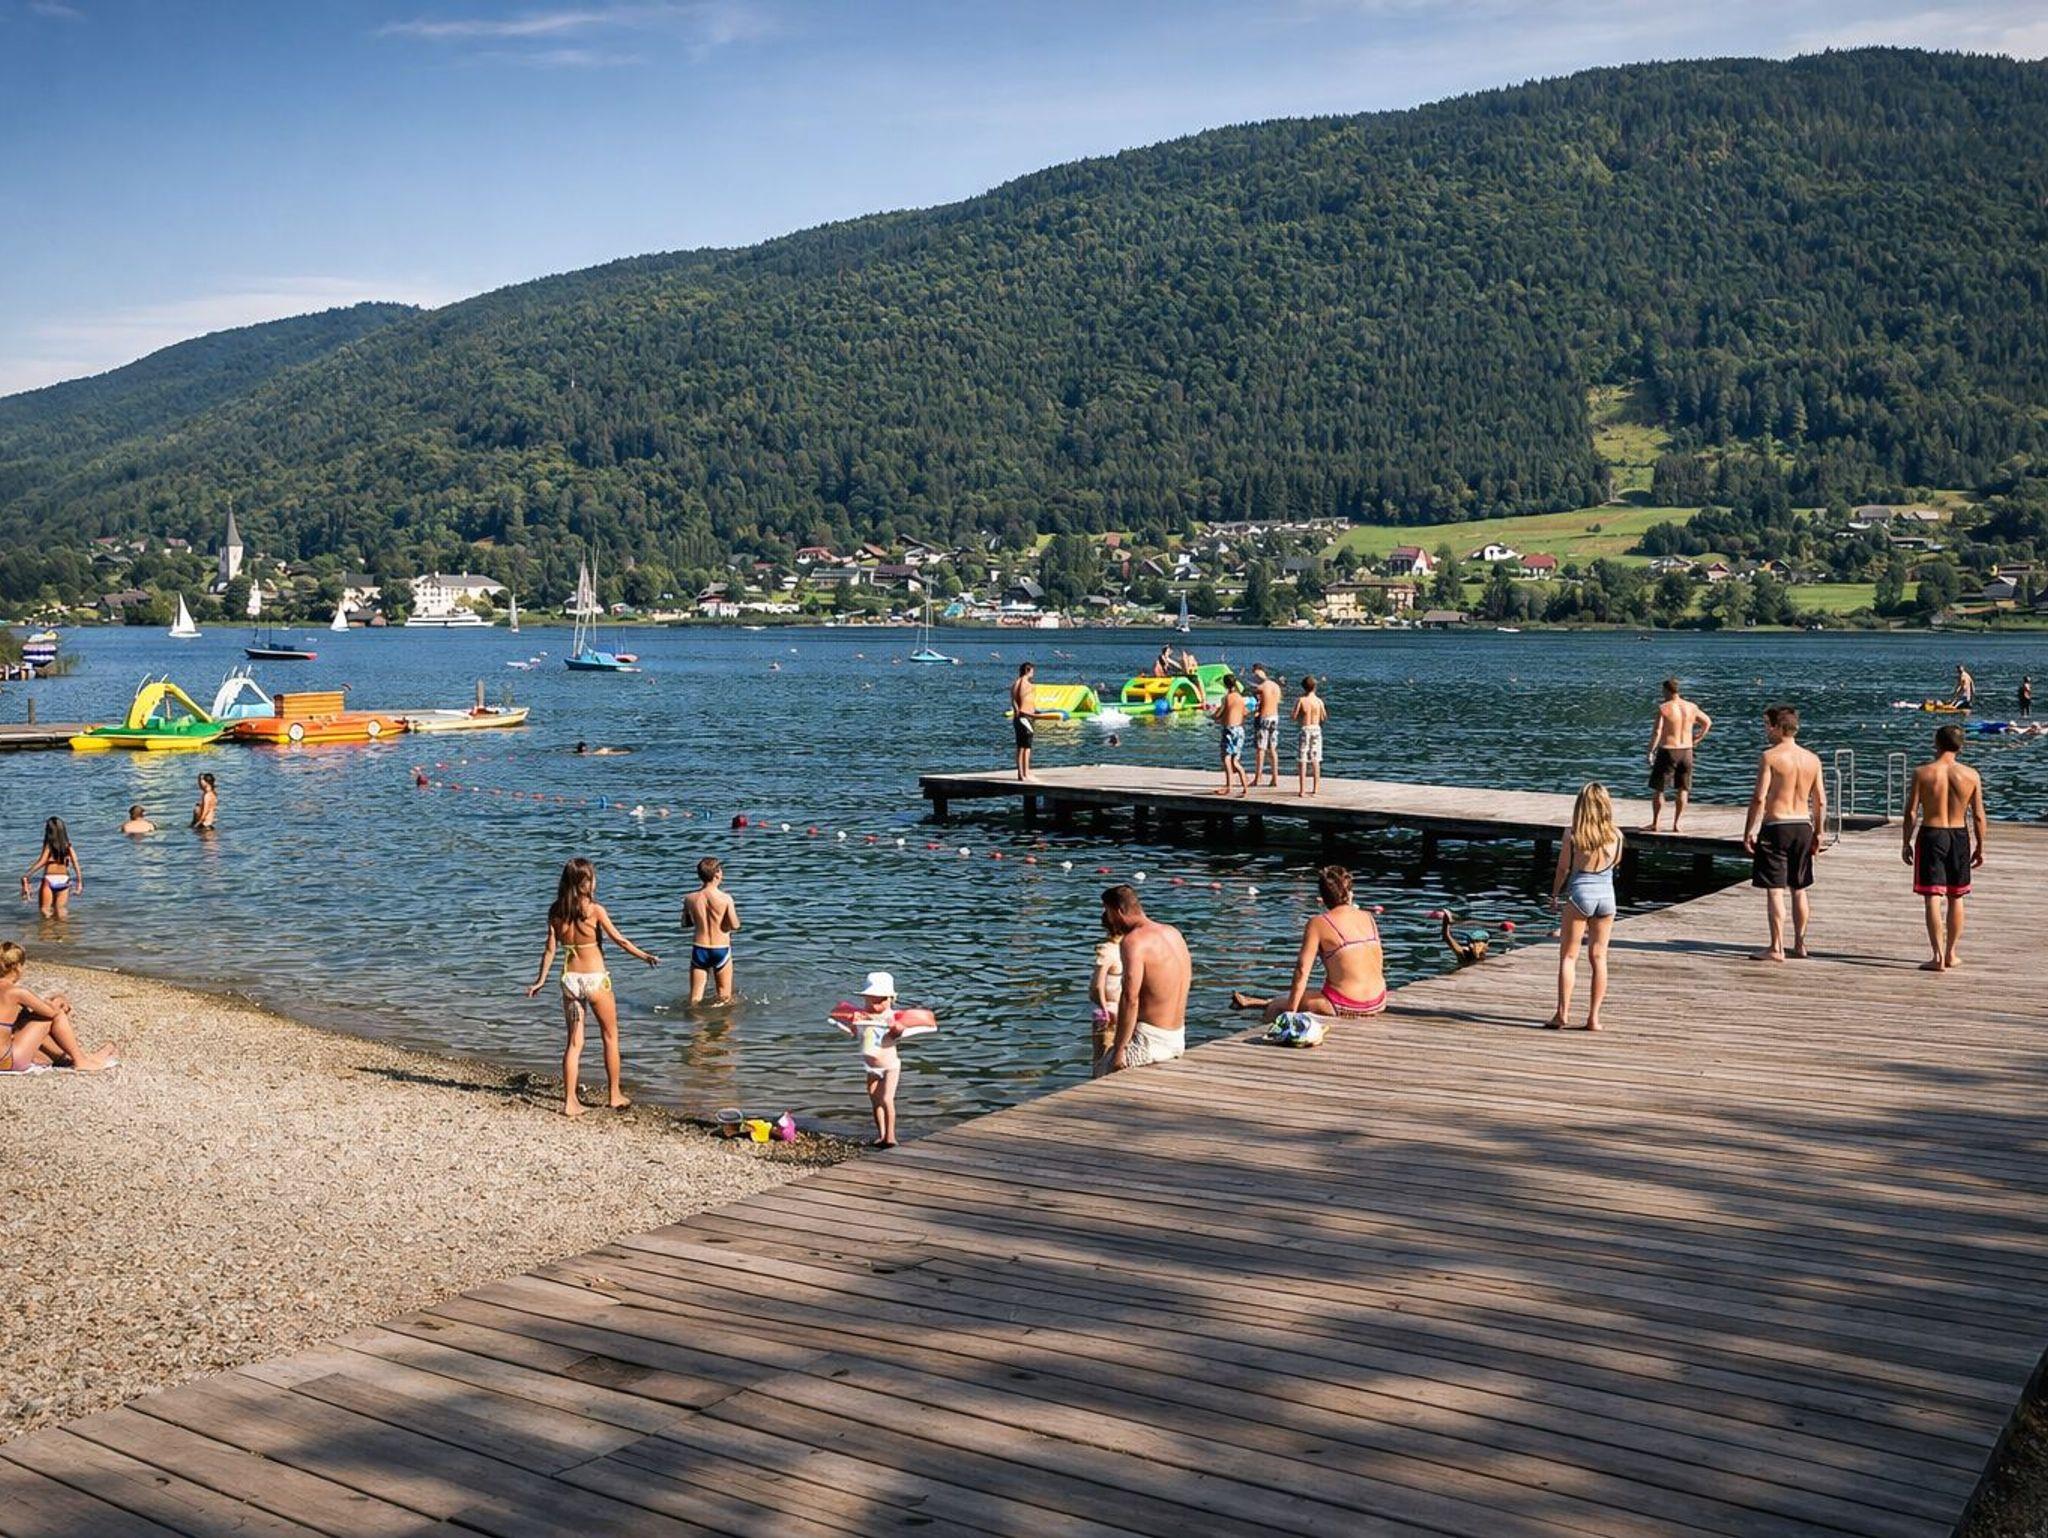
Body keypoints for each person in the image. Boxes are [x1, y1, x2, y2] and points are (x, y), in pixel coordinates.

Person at [523, 857, 659, 1116]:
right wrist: (644, 956)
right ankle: (614, 1095)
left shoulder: (556, 911)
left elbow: (550, 949)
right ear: (585, 883)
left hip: (570, 981)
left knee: (574, 1043)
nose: (595, 881)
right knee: (610, 1036)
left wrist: (540, 980)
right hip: (595, 980)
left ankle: (570, 1102)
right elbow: (620, 941)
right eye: (592, 878)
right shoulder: (595, 910)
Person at [1229, 865, 1386, 1025]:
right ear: (1350, 893)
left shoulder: (1318, 923)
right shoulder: (1368, 917)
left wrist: (1290, 1013)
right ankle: (1258, 1002)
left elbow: (1302, 970)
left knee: (1277, 1007)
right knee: (1298, 997)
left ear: (1323, 897)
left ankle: (1266, 1027)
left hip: (1347, 1005)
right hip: (1378, 1001)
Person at [1742, 704, 1825, 962]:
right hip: (1803, 825)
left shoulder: (1770, 757)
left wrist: (1748, 830)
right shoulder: (1812, 759)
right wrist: (1819, 832)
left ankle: (1776, 947)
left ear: (1779, 728)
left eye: (1768, 726)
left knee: (1775, 889)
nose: (1766, 730)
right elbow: (1820, 801)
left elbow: (1759, 797)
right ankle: (1800, 944)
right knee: (1799, 888)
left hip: (1776, 826)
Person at [1902, 724, 1987, 972]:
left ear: (1936, 743)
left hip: (1931, 833)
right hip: (1959, 835)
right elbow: (1979, 815)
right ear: (1961, 746)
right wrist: (1980, 846)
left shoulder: (1922, 773)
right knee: (1956, 896)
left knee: (1932, 896)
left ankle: (1937, 956)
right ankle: (1951, 953)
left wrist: (1906, 841)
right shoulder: (1971, 775)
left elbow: (1911, 812)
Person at [1548, 783, 1622, 1030]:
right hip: (1607, 897)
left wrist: (1555, 894)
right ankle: (1594, 1018)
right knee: (1599, 957)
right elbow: (1616, 864)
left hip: (1580, 895)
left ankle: (1562, 1014)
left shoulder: (1572, 835)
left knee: (1569, 957)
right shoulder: (1617, 835)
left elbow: (1563, 868)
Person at [829, 971, 932, 1147]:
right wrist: (853, 1023)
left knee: (886, 1099)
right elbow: (852, 1031)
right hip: (871, 1067)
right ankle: (881, 1135)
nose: (877, 1005)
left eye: (882, 1000)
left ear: (891, 999)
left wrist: (896, 1028)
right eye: (873, 1000)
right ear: (865, 998)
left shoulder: (892, 1017)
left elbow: (898, 1033)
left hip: (890, 1066)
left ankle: (891, 1136)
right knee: (875, 1101)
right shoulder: (861, 1016)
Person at [1098, 884, 1191, 1071]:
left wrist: (1119, 1049)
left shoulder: (1134, 941)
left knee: (1102, 1069)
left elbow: (1130, 998)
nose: (1108, 919)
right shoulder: (1173, 933)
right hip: (1177, 1037)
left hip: (1150, 1042)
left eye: (1107, 912)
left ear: (1118, 911)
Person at [1, 941, 120, 1073]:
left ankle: (70, 1058)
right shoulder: (17, 992)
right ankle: (81, 1061)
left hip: (5, 1055)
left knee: (26, 1019)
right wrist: (59, 1000)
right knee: (56, 1014)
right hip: (7, 1060)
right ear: (17, 967)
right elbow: (51, 1013)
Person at [1644, 678, 1712, 832]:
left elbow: (1657, 732)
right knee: (1683, 788)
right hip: (1686, 750)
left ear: (1666, 690)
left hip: (1668, 750)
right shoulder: (1691, 707)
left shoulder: (1664, 708)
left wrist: (1650, 751)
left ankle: (1656, 823)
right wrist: (1698, 738)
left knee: (1659, 789)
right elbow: (1707, 722)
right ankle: (1677, 824)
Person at [682, 856, 741, 1004]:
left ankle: (694, 1019)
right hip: (720, 949)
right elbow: (735, 925)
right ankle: (722, 1017)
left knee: (695, 997)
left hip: (699, 949)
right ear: (717, 874)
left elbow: (685, 923)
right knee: (724, 996)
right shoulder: (726, 898)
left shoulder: (689, 898)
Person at [20, 817, 80, 918]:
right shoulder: (68, 846)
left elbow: (42, 861)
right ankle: (63, 928)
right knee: (60, 910)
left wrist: (27, 875)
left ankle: (48, 927)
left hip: (49, 879)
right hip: (64, 880)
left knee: (45, 909)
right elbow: (76, 863)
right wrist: (79, 882)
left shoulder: (49, 845)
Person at [1089, 921, 1124, 1077]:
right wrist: (1105, 1010)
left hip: (1111, 1009)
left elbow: (1096, 987)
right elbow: (1097, 986)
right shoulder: (1111, 951)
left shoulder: (1113, 949)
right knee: (1105, 1054)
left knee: (1101, 1057)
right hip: (1109, 1011)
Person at [1214, 674, 1249, 797]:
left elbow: (1218, 715)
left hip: (1229, 730)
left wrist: (1213, 712)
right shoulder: (1240, 697)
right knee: (1235, 761)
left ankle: (1229, 787)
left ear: (1225, 685)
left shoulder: (1226, 698)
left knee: (1226, 759)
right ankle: (1245, 787)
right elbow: (1245, 712)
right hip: (1239, 730)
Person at [1250, 664, 1284, 789]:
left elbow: (1257, 705)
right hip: (1275, 717)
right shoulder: (1276, 686)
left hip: (1264, 718)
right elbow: (1277, 701)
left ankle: (1257, 778)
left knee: (1261, 749)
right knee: (1272, 749)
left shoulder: (1261, 687)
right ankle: (1275, 778)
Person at [1294, 675, 1327, 797]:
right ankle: (1315, 789)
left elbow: (1294, 716)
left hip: (1305, 728)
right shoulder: (1319, 701)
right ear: (1315, 687)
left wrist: (1301, 716)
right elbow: (1323, 717)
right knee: (1315, 759)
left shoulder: (1301, 700)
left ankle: (1302, 790)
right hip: (1316, 729)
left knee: (1302, 759)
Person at [1011, 661, 1041, 781]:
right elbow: (1027, 699)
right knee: (1026, 747)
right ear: (1027, 671)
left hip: (1019, 717)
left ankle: (1021, 773)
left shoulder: (1016, 683)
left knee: (1021, 746)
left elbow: (1013, 700)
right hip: (1026, 717)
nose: (1033, 673)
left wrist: (1017, 710)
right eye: (1032, 671)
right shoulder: (1027, 685)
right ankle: (1025, 772)